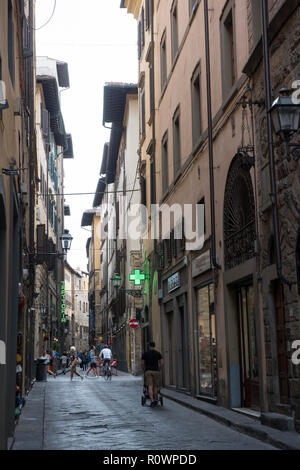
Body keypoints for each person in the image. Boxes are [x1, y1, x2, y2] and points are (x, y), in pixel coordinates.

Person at [141, 342, 163, 407]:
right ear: (154, 346)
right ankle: (156, 400)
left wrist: (144, 370)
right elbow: (162, 362)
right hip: (156, 371)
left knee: (150, 387)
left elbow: (142, 364)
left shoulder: (145, 354)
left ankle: (152, 401)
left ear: (149, 346)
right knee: (155, 387)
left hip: (148, 371)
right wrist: (159, 369)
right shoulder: (158, 353)